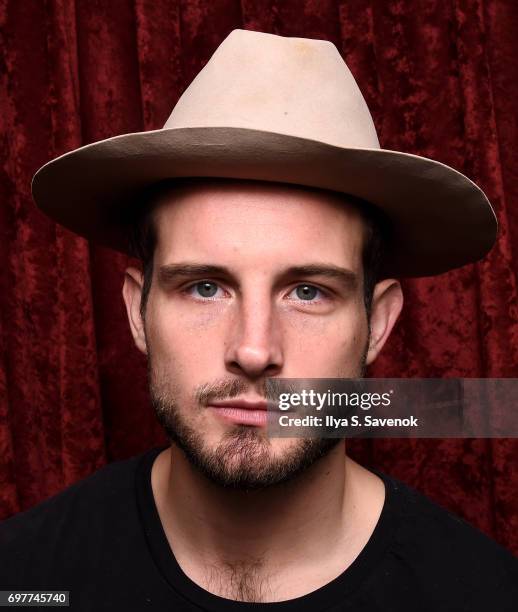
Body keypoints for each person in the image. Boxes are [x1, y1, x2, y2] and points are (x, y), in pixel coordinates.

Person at [1, 29, 516, 611]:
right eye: (204, 287)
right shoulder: (23, 577)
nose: (253, 350)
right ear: (136, 312)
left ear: (378, 324)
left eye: (307, 292)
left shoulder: (485, 594)